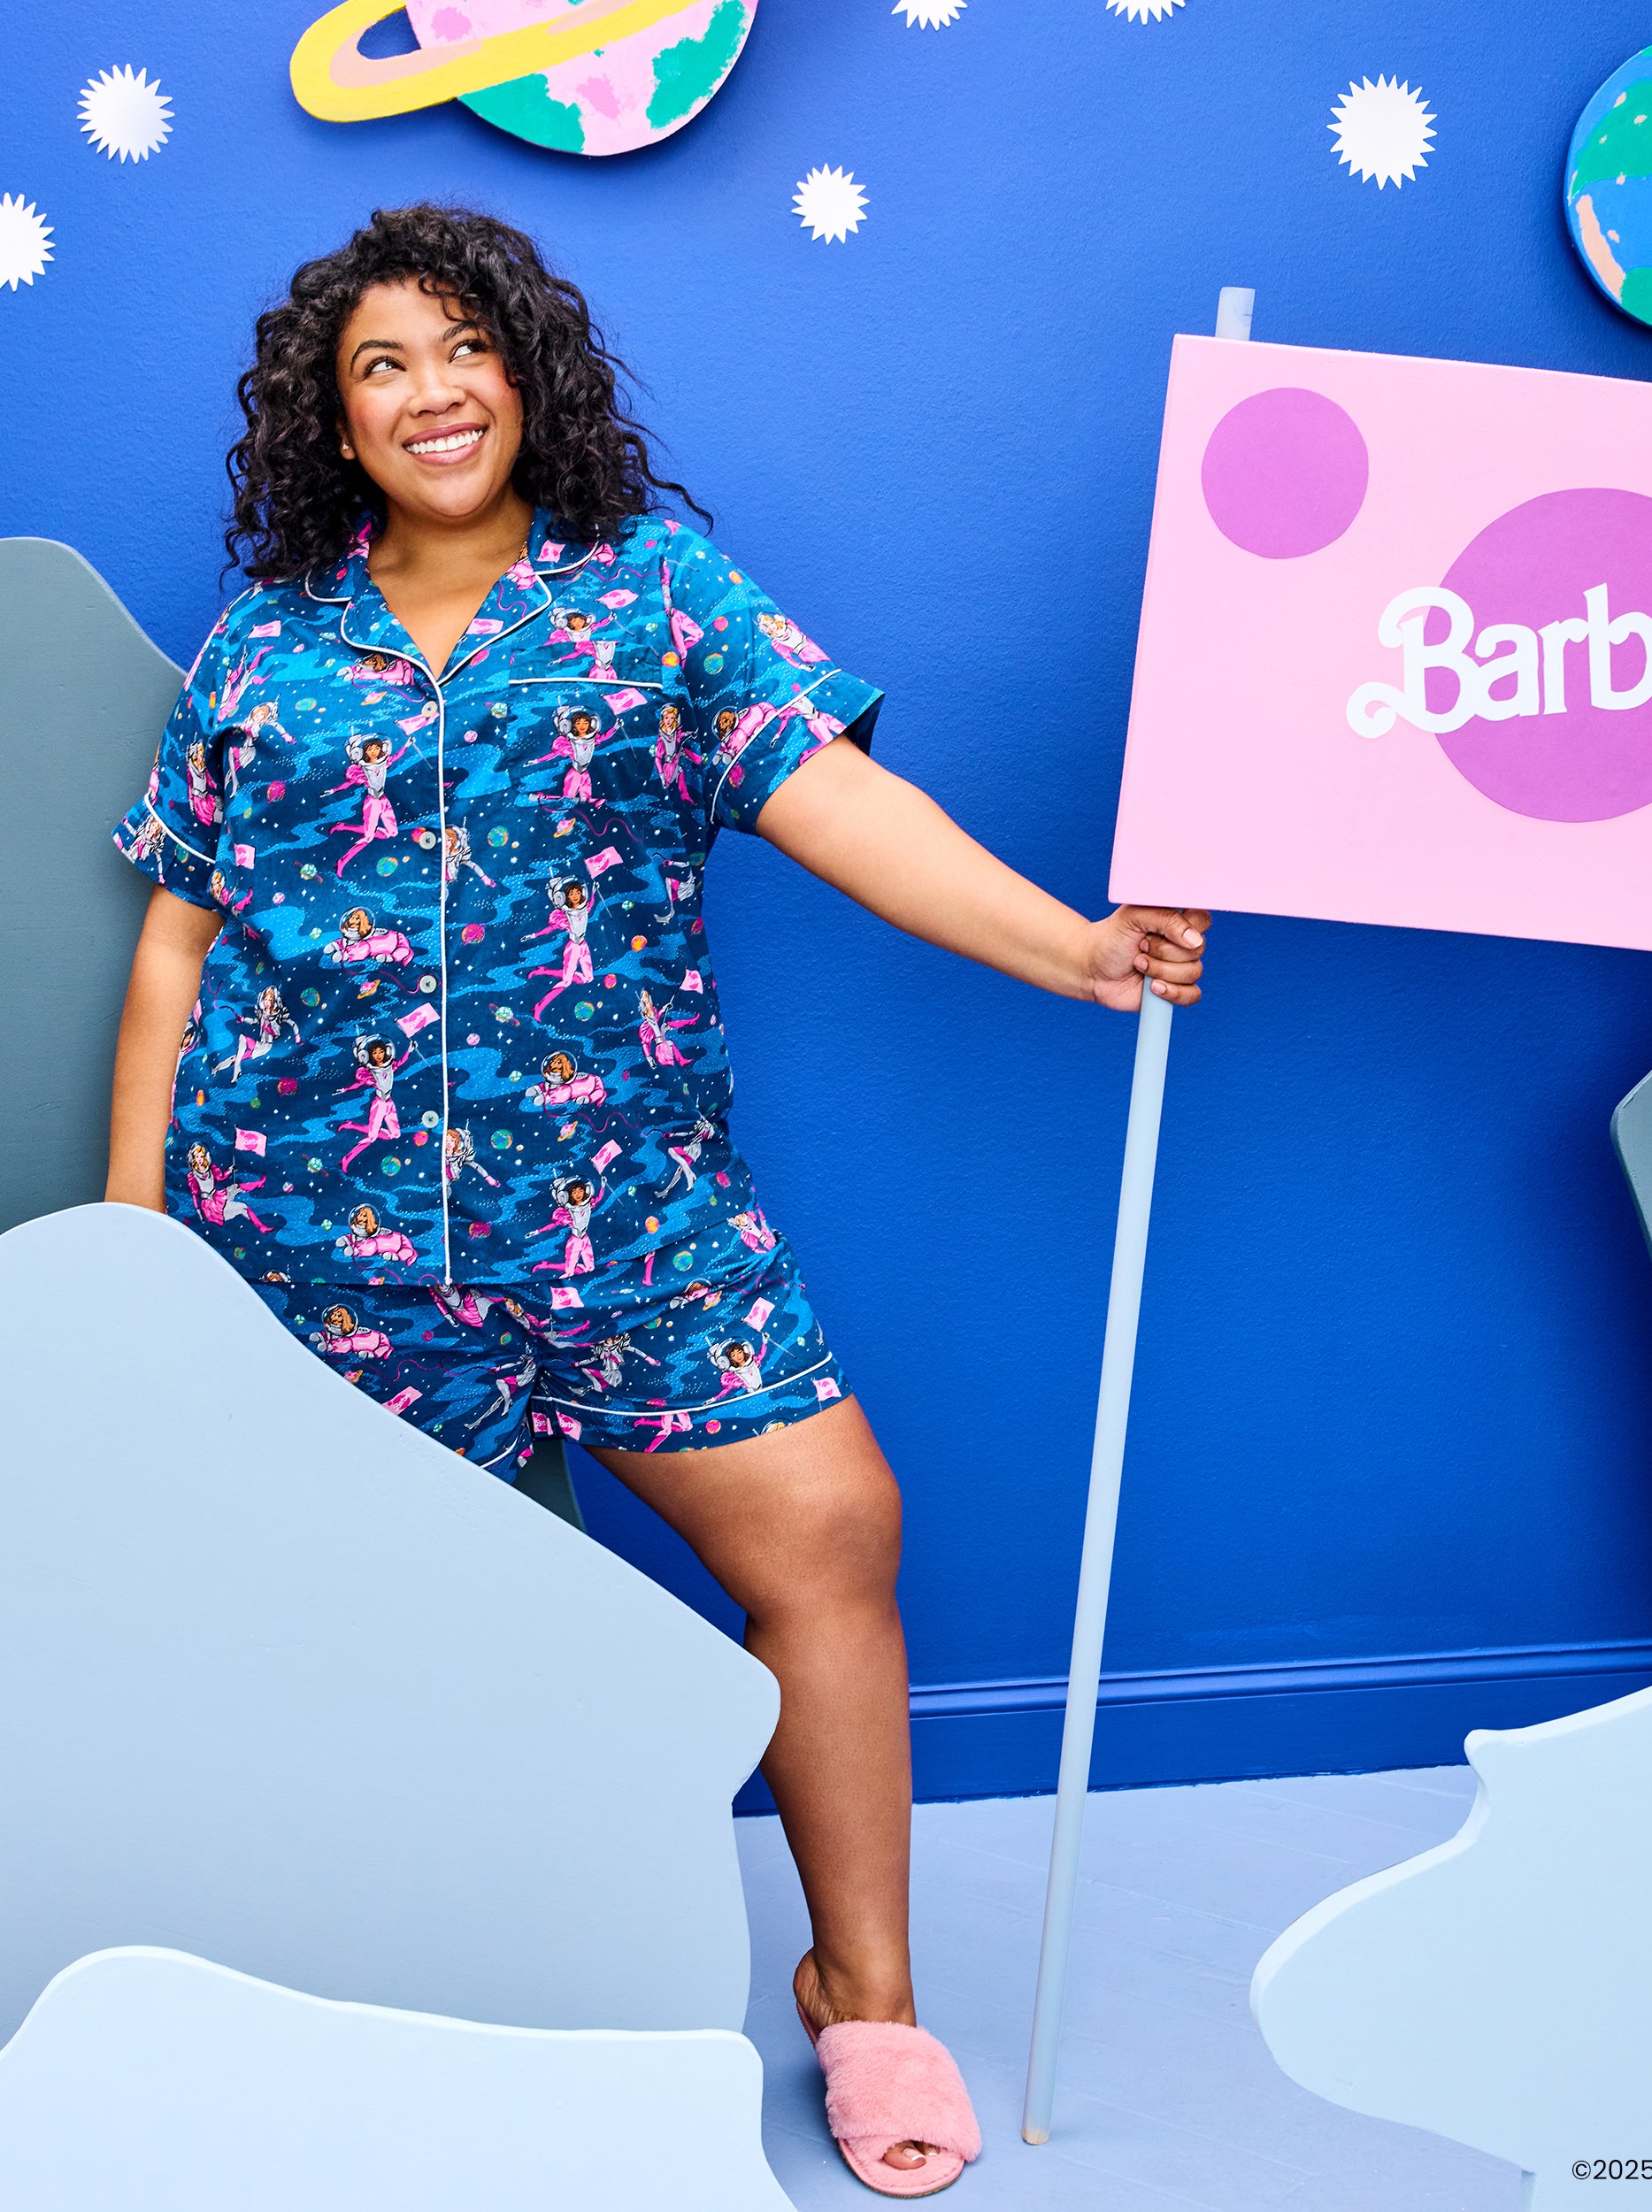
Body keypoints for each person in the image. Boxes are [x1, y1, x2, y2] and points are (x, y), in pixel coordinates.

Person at [104, 204, 1207, 2198]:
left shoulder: (653, 593)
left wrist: (1075, 950)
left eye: (465, 347)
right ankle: (362, 1998)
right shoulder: (266, 640)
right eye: (381, 367)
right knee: (335, 1638)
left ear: (526, 374)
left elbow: (840, 799)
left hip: (627, 1217)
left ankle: (864, 1993)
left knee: (831, 1528)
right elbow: (179, 937)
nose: (432, 392)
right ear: (335, 422)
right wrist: (134, 1255)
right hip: (312, 1247)